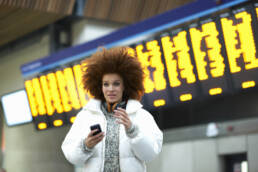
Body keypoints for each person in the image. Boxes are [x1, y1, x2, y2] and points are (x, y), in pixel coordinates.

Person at [61, 46, 163, 172]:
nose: (110, 89)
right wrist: (86, 145)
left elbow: (150, 155)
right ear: (100, 87)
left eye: (116, 83)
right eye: (106, 84)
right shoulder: (85, 116)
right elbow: (72, 157)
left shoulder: (141, 116)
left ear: (125, 85)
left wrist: (133, 131)